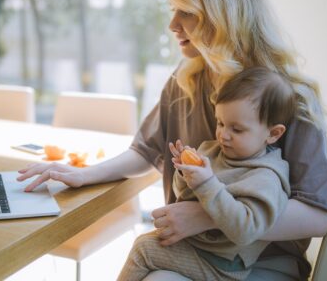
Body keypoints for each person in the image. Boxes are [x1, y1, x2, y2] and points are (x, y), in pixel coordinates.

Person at [17, 0, 327, 280]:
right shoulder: (186, 80)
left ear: (223, 14)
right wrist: (84, 175)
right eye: (172, 10)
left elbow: (317, 215)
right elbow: (145, 151)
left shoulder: (288, 97)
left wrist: (209, 214)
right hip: (195, 247)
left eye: (186, 12)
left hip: (263, 261)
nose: (172, 25)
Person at [117, 67, 296, 281]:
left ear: (273, 133)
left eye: (236, 129)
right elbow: (184, 194)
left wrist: (207, 183)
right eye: (220, 123)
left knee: (143, 249)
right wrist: (184, 174)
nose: (223, 135)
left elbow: (246, 230)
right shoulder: (213, 150)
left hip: (222, 264)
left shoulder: (266, 177)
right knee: (146, 244)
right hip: (197, 246)